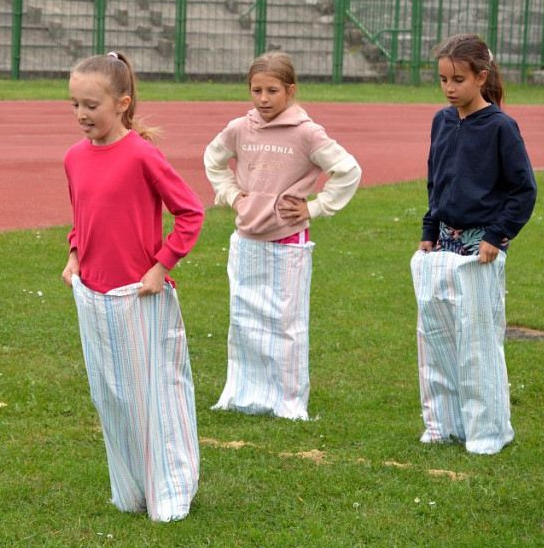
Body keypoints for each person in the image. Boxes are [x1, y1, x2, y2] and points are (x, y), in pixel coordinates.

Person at [62, 51, 205, 522]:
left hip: (141, 298)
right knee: (112, 394)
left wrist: (161, 266)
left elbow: (190, 213)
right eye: (75, 105)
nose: (82, 115)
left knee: (154, 393)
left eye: (91, 105)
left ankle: (171, 487)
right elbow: (83, 217)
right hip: (94, 297)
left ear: (122, 103)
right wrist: (74, 256)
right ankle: (131, 487)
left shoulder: (143, 154)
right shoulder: (74, 158)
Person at [203, 51, 362, 420]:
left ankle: (288, 402)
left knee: (286, 324)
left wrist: (316, 207)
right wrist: (231, 195)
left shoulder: (307, 132)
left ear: (289, 90)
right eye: (256, 90)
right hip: (246, 239)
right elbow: (213, 159)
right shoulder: (239, 128)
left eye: (272, 90)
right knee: (244, 319)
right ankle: (242, 394)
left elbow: (348, 171)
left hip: (289, 241)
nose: (262, 99)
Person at [410, 34, 537, 455]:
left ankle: (487, 433)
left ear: (481, 77)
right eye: (443, 78)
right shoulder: (441, 120)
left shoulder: (501, 126)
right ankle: (444, 425)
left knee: (477, 342)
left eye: (458, 79)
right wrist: (430, 230)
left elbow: (523, 189)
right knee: (437, 337)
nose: (449, 87)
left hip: (481, 247)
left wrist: (497, 237)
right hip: (442, 244)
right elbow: (436, 181)